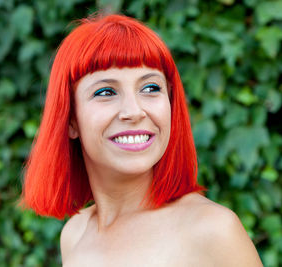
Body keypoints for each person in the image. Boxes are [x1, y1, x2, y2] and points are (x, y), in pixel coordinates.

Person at [20, 13, 263, 266]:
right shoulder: (75, 233)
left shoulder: (212, 230)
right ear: (70, 120)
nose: (134, 111)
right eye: (106, 92)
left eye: (150, 88)